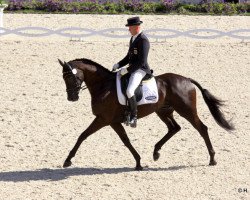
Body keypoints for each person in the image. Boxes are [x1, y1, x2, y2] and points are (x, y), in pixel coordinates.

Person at [112, 16, 152, 128]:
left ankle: (134, 116)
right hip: (133, 68)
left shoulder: (143, 40)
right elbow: (128, 57)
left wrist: (127, 70)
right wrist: (119, 64)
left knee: (130, 91)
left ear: (136, 27)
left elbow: (141, 61)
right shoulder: (133, 38)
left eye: (130, 27)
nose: (128, 29)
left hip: (141, 70)